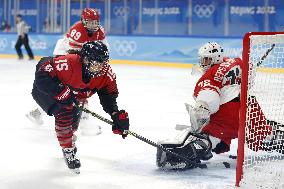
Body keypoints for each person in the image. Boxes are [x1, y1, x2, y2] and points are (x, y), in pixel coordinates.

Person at [156, 42, 284, 170]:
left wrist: (199, 117)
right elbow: (249, 77)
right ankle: (277, 138)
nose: (203, 63)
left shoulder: (210, 75)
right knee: (264, 133)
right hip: (250, 110)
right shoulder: (236, 61)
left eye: (206, 60)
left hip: (227, 118)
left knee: (208, 135)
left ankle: (186, 152)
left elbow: (209, 99)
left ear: (215, 58)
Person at [31, 41, 129, 173]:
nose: (100, 67)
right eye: (96, 63)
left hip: (73, 95)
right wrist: (60, 91)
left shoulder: (106, 73)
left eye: (103, 63)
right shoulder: (69, 63)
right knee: (65, 110)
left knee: (73, 123)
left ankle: (68, 137)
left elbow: (108, 97)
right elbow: (42, 74)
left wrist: (115, 114)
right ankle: (68, 149)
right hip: (44, 91)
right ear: (85, 60)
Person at [26, 8, 107, 125]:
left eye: (95, 22)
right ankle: (83, 122)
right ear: (83, 21)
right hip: (65, 54)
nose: (93, 25)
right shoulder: (77, 31)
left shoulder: (100, 31)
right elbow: (74, 54)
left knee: (73, 91)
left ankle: (37, 113)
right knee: (70, 90)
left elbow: (103, 49)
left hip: (81, 58)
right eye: (90, 22)